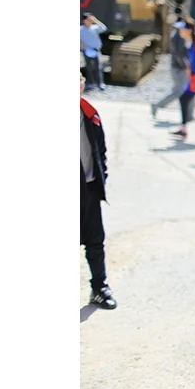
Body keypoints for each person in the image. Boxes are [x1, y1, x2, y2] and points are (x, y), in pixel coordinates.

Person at [81, 63, 117, 310]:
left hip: (89, 187)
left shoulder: (89, 113)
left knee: (95, 240)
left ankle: (99, 287)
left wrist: (100, 175)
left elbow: (100, 150)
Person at [151, 20, 191, 121]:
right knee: (178, 92)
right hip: (179, 68)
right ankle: (157, 105)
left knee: (187, 91)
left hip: (179, 67)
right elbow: (179, 55)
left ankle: (189, 114)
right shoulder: (178, 38)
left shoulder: (177, 36)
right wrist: (185, 66)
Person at [81, 13, 108, 91]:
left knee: (98, 67)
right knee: (89, 67)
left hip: (96, 50)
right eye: (88, 19)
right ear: (84, 20)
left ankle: (100, 83)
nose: (90, 21)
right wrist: (83, 46)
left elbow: (104, 28)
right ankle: (90, 83)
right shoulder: (81, 30)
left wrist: (95, 20)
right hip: (87, 50)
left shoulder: (95, 28)